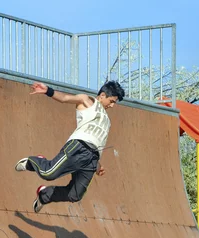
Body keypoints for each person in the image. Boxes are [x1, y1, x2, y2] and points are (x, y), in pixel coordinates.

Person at [15, 80, 125, 212]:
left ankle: (45, 196)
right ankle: (33, 162)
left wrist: (98, 165)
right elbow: (65, 98)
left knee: (75, 195)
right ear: (102, 95)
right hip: (78, 147)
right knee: (48, 173)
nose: (112, 106)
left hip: (92, 159)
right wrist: (47, 90)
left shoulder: (107, 121)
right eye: (112, 101)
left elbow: (97, 143)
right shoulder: (88, 101)